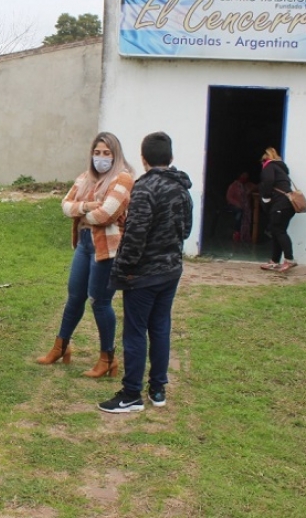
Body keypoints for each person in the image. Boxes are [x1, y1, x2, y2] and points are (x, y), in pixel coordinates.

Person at [99, 132, 193, 413]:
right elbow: (186, 230)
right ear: (171, 157)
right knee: (161, 327)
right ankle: (158, 389)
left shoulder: (144, 189)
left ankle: (131, 395)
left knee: (136, 332)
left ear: (143, 158)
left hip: (144, 275)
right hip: (171, 270)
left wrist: (123, 271)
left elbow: (135, 236)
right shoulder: (182, 188)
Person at [37, 132, 135, 378]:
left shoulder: (123, 178)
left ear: (116, 155)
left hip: (107, 248)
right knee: (75, 296)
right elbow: (65, 205)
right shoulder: (85, 177)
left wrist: (82, 214)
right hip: (84, 244)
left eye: (106, 153)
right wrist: (85, 208)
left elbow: (108, 214)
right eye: (97, 152)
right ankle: (61, 346)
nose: (101, 158)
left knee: (99, 301)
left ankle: (108, 358)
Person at [258, 147, 297, 272]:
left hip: (280, 204)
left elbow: (268, 182)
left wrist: (266, 197)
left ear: (265, 160)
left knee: (279, 231)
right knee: (276, 231)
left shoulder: (269, 166)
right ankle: (274, 261)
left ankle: (289, 259)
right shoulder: (281, 169)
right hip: (287, 205)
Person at [225, 172, 251, 242]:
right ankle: (236, 231)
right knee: (239, 211)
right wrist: (237, 203)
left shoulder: (246, 185)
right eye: (243, 176)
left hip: (244, 206)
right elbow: (229, 197)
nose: (244, 178)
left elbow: (256, 186)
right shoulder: (234, 185)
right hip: (234, 206)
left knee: (246, 212)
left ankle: (245, 234)